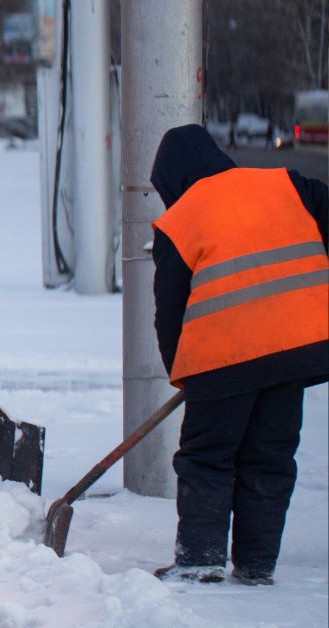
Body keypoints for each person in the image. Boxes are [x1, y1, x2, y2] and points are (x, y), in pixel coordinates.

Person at [149, 124, 329, 585]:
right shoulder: (286, 183)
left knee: (208, 457)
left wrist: (183, 374)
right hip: (294, 349)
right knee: (270, 457)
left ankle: (199, 560)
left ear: (171, 180)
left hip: (222, 359)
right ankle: (256, 565)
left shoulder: (180, 220)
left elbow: (170, 312)